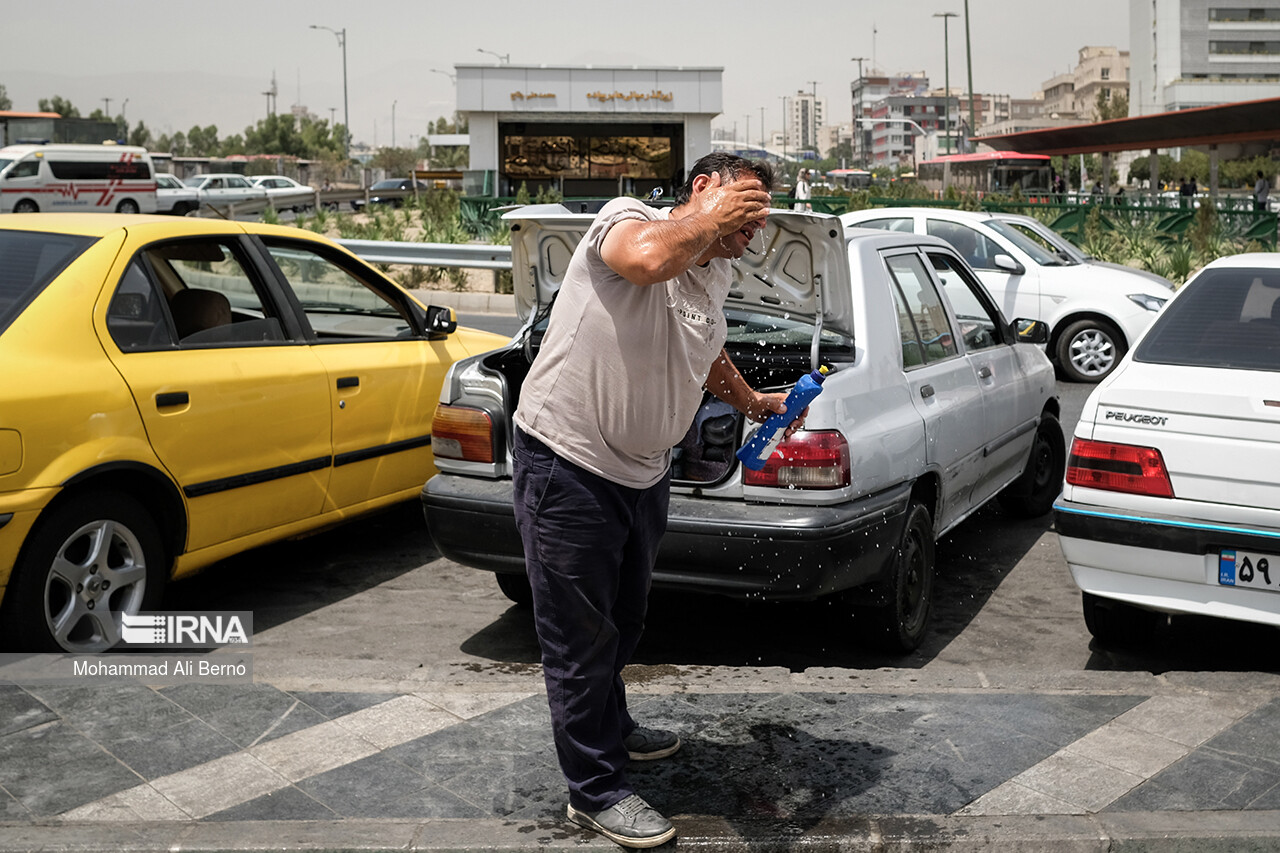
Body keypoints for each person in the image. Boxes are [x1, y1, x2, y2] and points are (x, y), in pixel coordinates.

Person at [511, 153, 794, 848]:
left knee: (625, 618)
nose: (752, 227)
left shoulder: (715, 268)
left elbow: (706, 350)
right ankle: (595, 789)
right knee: (579, 637)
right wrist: (706, 220)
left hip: (642, 471)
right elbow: (644, 262)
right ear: (704, 188)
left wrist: (754, 400)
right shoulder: (627, 220)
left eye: (760, 217)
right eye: (745, 208)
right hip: (568, 462)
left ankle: (613, 729)